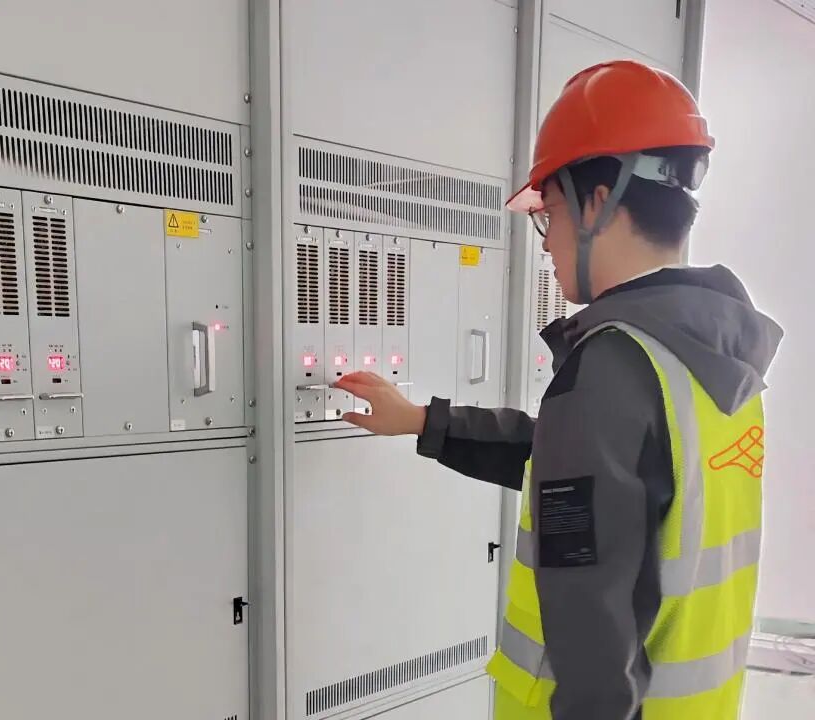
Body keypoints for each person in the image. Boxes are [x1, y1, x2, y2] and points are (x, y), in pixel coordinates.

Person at [334, 60, 782, 720]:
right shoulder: (717, 354)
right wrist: (424, 421)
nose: (546, 246)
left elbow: (591, 630)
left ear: (597, 203)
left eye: (550, 214)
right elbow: (586, 473)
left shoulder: (613, 367)